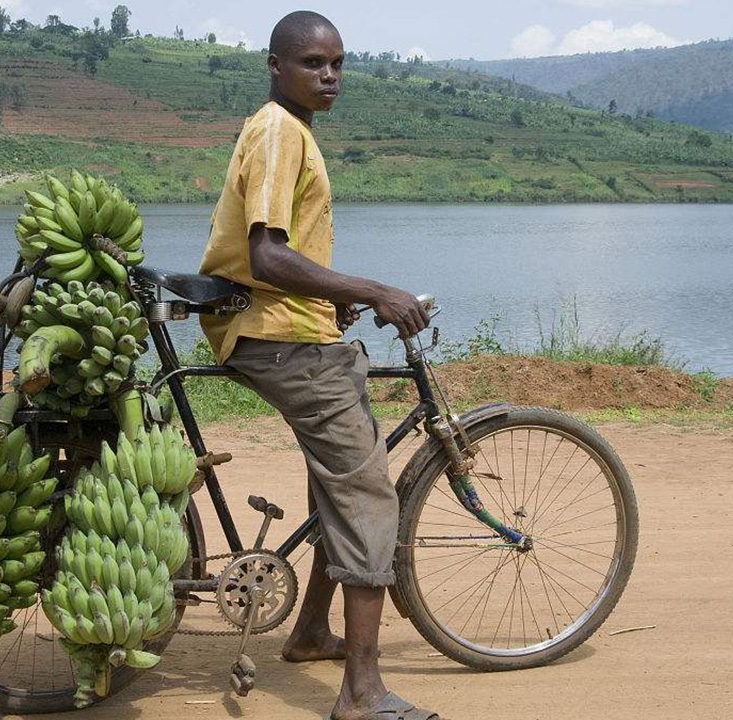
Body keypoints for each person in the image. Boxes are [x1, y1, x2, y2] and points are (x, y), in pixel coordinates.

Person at [197, 10, 442, 720]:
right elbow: (268, 253)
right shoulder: (278, 131)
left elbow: (276, 262)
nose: (329, 75)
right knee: (368, 495)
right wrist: (374, 291)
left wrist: (331, 303)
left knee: (335, 477)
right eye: (312, 63)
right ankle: (362, 696)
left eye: (337, 63)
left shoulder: (290, 130)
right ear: (276, 66)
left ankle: (308, 631)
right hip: (274, 336)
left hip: (281, 324)